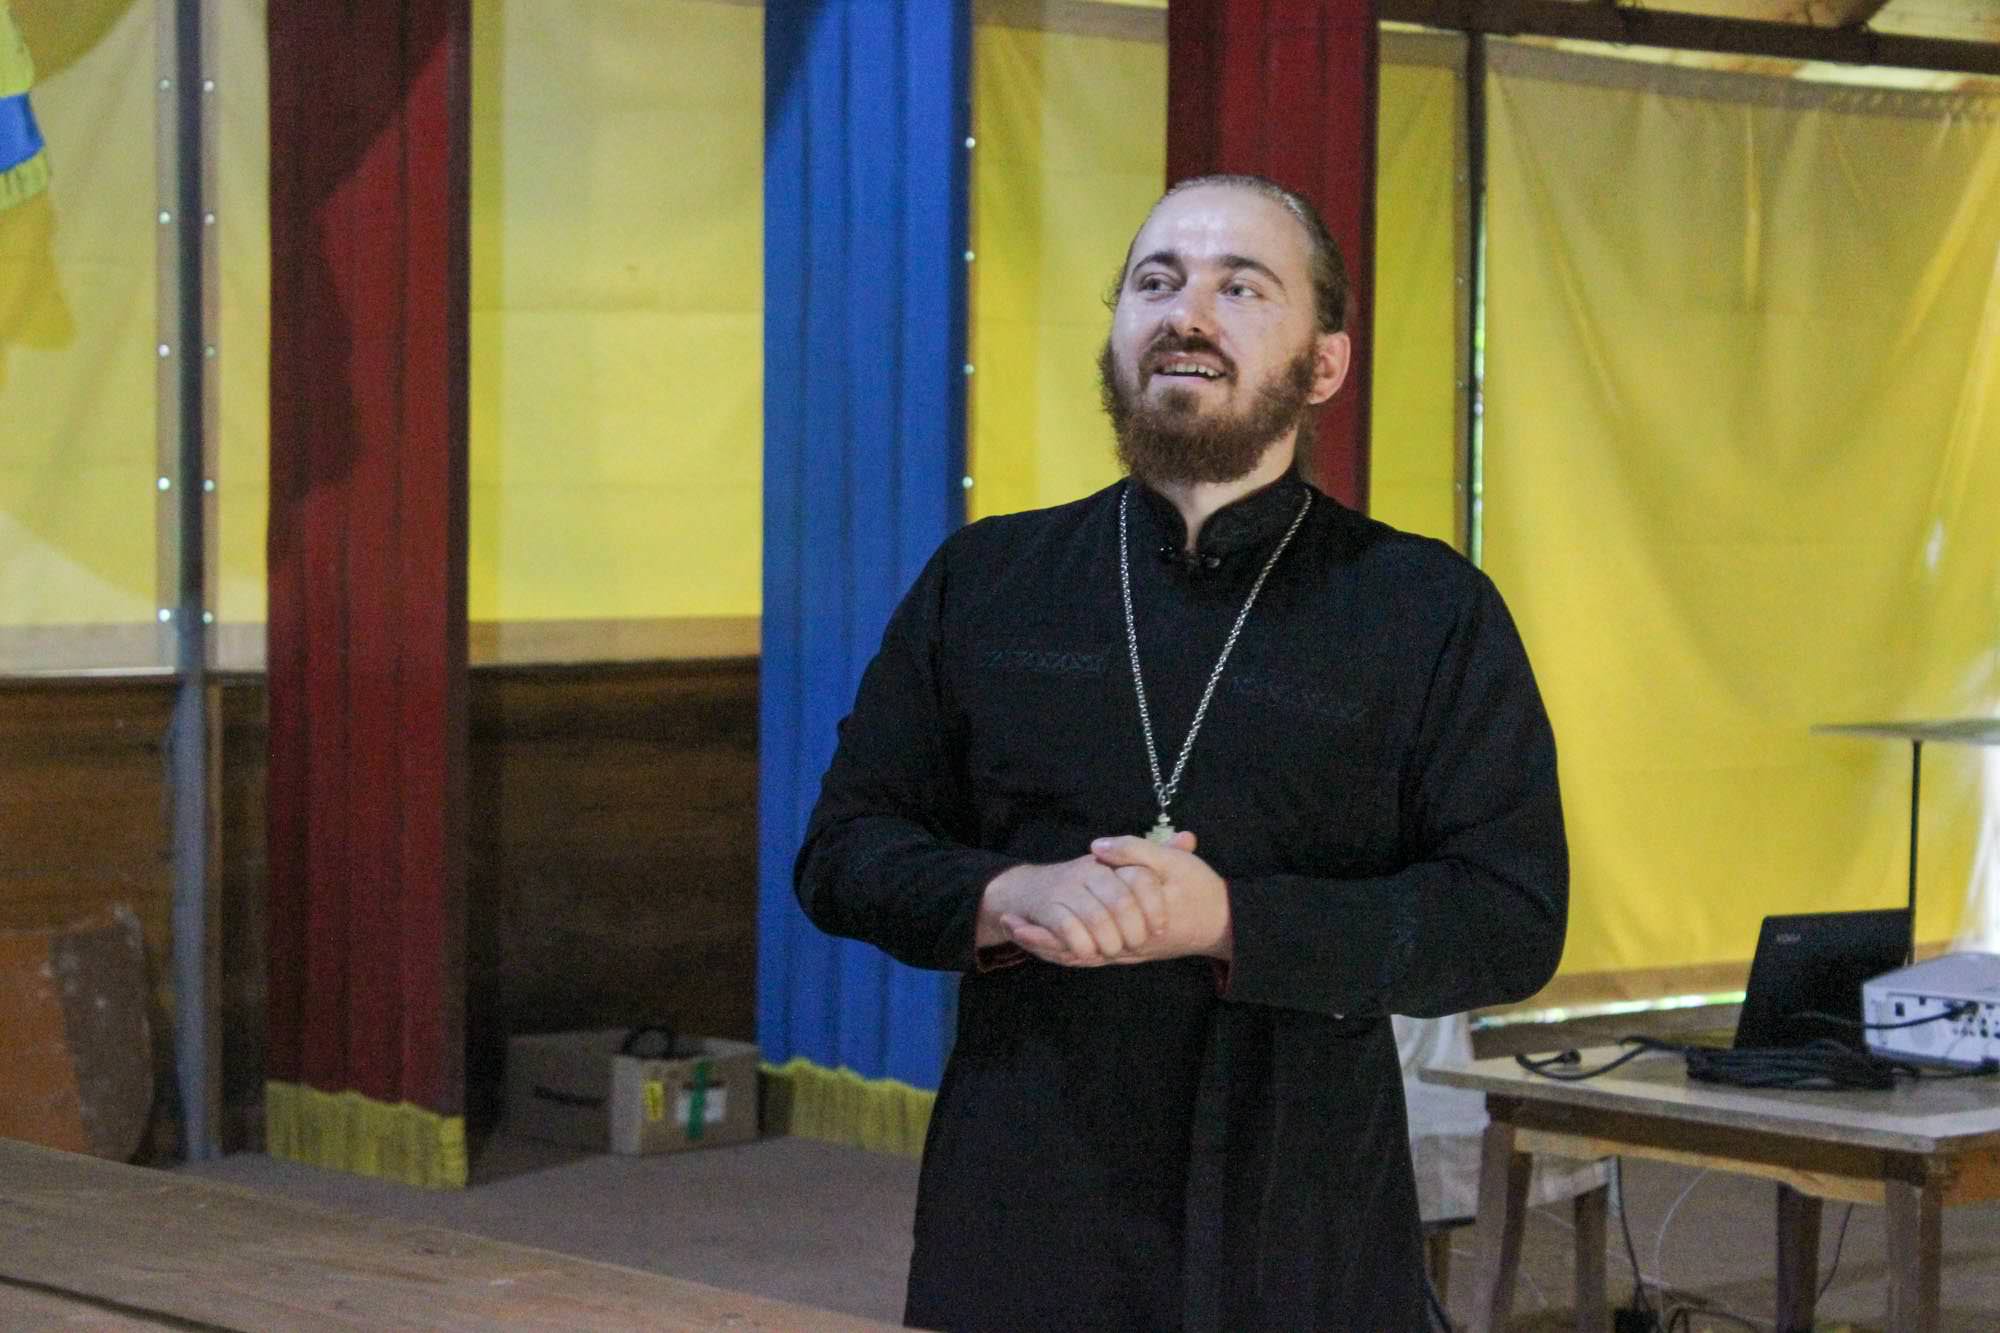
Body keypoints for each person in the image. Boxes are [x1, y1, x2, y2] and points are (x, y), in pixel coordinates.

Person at [794, 174, 1568, 1331]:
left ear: (1323, 365)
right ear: (1114, 336)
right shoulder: (987, 579)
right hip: (1024, 1180)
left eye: (1239, 288)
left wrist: (1229, 921)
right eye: (1154, 282)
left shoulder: (1423, 608)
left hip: (1300, 1195)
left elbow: (1508, 918)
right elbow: (843, 851)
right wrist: (1009, 894)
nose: (1186, 313)